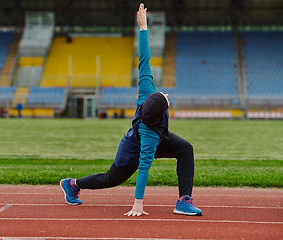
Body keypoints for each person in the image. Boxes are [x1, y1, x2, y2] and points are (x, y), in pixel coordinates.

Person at [60, 3, 202, 217]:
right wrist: (138, 203)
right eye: (164, 98)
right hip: (132, 150)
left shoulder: (146, 92)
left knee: (185, 149)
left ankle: (184, 200)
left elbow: (144, 59)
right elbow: (144, 168)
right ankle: (71, 184)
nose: (165, 95)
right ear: (163, 110)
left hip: (158, 135)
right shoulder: (149, 136)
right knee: (111, 179)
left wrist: (143, 28)